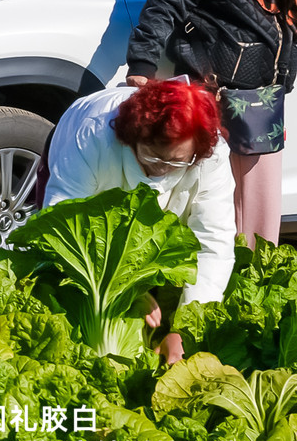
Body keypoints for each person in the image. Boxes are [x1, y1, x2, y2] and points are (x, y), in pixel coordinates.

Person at [127, 0, 297, 247]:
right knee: (212, 202)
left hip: (264, 95)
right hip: (217, 91)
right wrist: (142, 64)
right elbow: (166, 1)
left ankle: (253, 284)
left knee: (260, 208)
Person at [44, 79, 235, 363]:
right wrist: (125, 289)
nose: (162, 168)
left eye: (176, 162)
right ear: (133, 137)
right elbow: (62, 226)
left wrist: (184, 333)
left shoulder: (211, 155)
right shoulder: (92, 136)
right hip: (74, 160)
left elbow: (213, 242)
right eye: (153, 155)